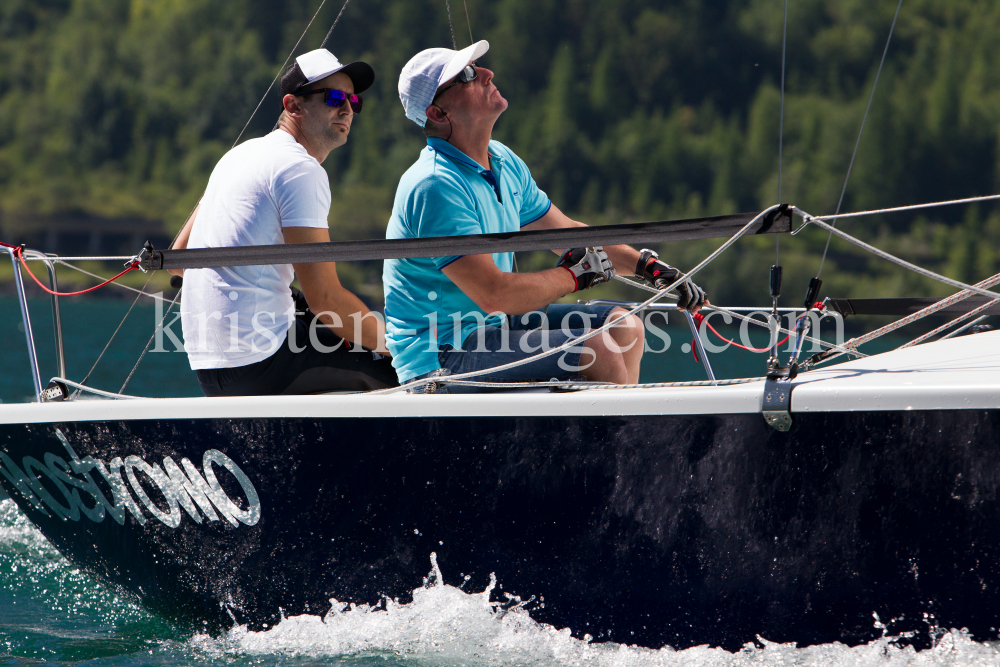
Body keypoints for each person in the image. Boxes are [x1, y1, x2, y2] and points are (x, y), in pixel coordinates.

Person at [383, 41, 707, 390]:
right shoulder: (434, 185)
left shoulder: (502, 160)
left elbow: (566, 233)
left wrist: (646, 266)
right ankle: (616, 439)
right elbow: (495, 293)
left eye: (480, 66)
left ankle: (618, 435)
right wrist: (574, 277)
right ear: (437, 114)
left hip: (491, 328)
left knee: (624, 326)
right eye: (467, 75)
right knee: (598, 349)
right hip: (440, 356)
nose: (487, 74)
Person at [172, 48, 398, 396]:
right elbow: (325, 298)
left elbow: (179, 258)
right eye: (334, 97)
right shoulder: (299, 169)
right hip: (261, 362)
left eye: (353, 100)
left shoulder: (237, 155)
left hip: (207, 365)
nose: (348, 108)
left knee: (339, 333)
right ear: (293, 106)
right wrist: (399, 347)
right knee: (409, 372)